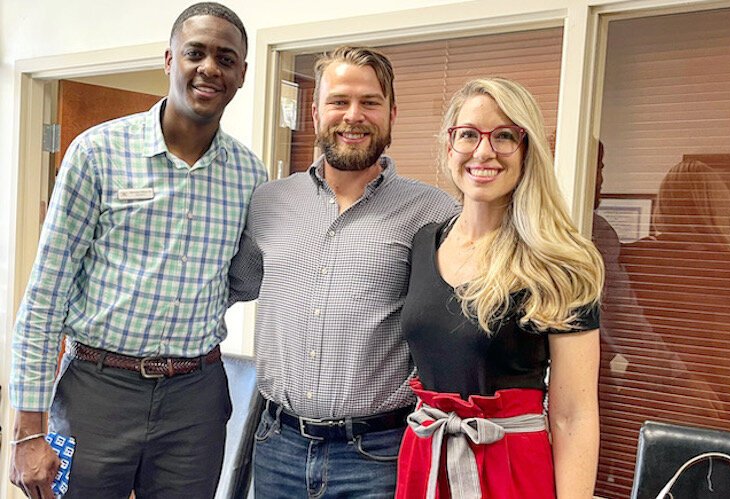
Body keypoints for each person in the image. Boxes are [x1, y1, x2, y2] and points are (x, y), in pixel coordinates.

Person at [9, 3, 267, 498]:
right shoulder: (97, 153)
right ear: (170, 60)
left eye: (226, 58)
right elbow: (45, 296)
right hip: (96, 390)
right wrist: (28, 429)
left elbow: (239, 280)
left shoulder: (249, 175)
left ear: (241, 75)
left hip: (197, 399)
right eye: (196, 53)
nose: (209, 68)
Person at [228, 46, 457, 498]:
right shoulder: (268, 202)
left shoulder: (432, 212)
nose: (354, 115)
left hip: (378, 455)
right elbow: (233, 286)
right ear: (315, 113)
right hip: (278, 448)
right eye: (339, 101)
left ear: (392, 113)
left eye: (369, 102)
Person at [395, 77, 604, 498]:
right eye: (468, 134)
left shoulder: (560, 261)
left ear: (527, 151)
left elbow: (574, 416)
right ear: (449, 146)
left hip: (509, 468)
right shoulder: (422, 242)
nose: (484, 151)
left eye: (504, 135)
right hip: (426, 457)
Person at [619, 160, 730, 416]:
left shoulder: (634, 256)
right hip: (701, 401)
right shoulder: (724, 267)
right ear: (716, 208)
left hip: (638, 396)